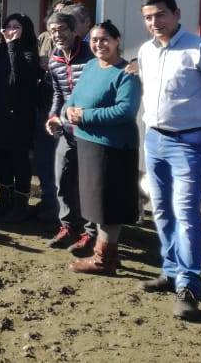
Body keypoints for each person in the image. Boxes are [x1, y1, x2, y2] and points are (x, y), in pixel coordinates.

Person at [136, 0, 201, 321]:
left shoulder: (200, 49)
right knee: (162, 209)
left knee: (185, 213)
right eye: (149, 17)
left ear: (177, 14)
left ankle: (188, 286)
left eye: (161, 15)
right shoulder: (146, 51)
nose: (155, 22)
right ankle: (170, 270)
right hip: (154, 140)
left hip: (188, 143)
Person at [63, 21, 141, 276]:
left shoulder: (126, 73)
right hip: (88, 144)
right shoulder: (90, 67)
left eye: (105, 39)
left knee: (109, 206)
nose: (99, 44)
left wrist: (84, 115)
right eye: (95, 40)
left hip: (114, 148)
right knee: (96, 203)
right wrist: (68, 112)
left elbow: (125, 111)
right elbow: (73, 100)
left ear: (118, 40)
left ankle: (103, 260)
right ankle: (109, 255)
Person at [44, 11, 98, 254]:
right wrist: (53, 116)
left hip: (91, 130)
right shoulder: (54, 59)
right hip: (65, 129)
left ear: (74, 31)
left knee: (88, 184)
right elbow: (58, 92)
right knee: (63, 179)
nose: (57, 35)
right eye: (53, 31)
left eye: (62, 30)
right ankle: (68, 227)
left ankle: (91, 233)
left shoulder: (92, 56)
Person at [0, 13, 42, 220]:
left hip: (20, 117)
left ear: (25, 29)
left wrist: (12, 46)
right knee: (1, 158)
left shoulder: (28, 51)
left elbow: (16, 78)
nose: (11, 30)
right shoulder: (0, 50)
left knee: (19, 160)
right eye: (8, 26)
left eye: (16, 27)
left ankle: (20, 206)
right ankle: (5, 200)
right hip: (0, 114)